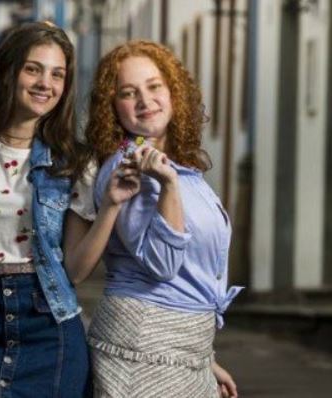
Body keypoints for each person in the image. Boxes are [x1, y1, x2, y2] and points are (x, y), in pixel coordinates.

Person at [0, 21, 139, 398]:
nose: (46, 83)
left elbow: (74, 269)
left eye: (58, 74)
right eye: (33, 69)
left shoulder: (75, 163)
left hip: (50, 323)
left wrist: (110, 208)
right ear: (8, 72)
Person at [80, 40, 242, 398]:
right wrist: (167, 185)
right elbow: (163, 264)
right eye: (128, 92)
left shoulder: (177, 166)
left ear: (173, 92)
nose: (145, 100)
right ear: (113, 107)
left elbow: (195, 271)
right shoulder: (129, 168)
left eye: (154, 86)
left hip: (179, 350)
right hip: (142, 348)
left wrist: (204, 357)